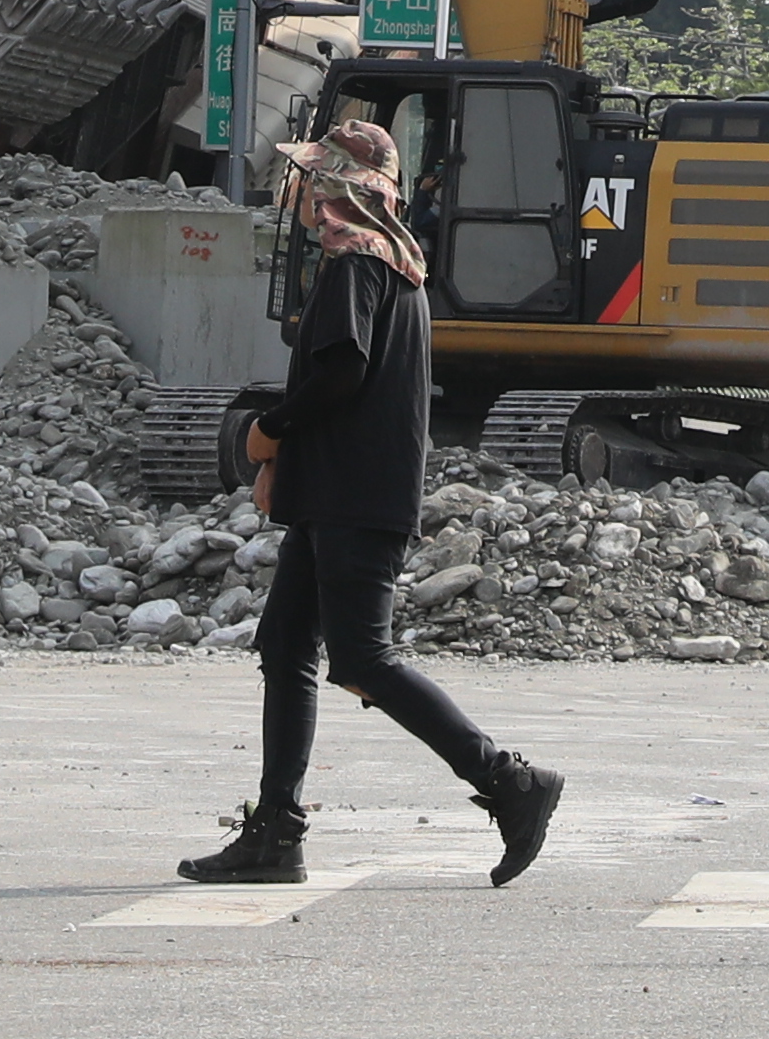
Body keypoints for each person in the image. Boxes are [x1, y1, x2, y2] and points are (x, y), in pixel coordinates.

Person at [182, 115, 560, 891]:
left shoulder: (358, 262)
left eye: (314, 178)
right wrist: (288, 461)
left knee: (362, 658)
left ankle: (509, 781)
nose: (302, 191)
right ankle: (276, 832)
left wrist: (267, 433)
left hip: (354, 496)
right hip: (339, 493)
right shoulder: (394, 263)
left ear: (342, 189)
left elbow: (341, 373)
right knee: (285, 646)